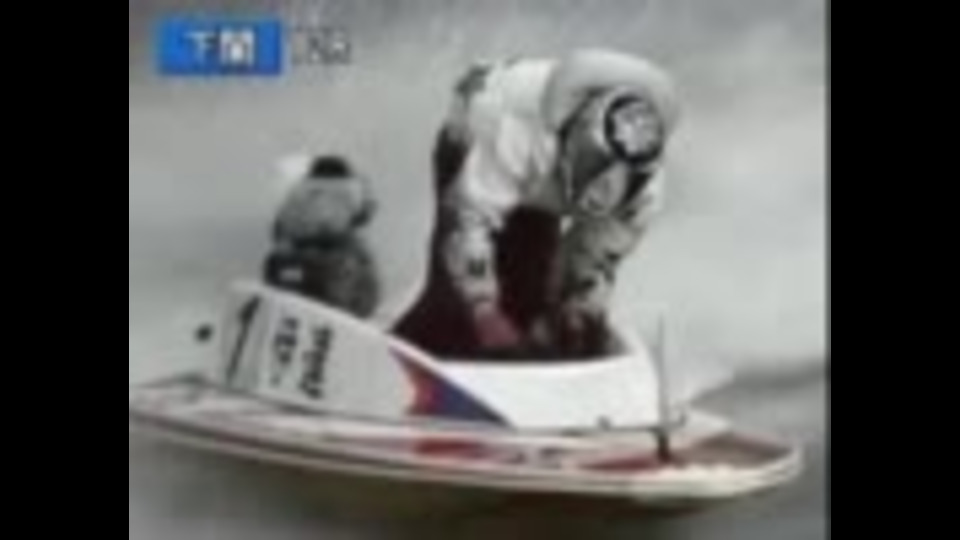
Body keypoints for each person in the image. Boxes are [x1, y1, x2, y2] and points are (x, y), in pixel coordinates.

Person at [393, 49, 681, 359]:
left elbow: (592, 260)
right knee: (458, 303)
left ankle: (526, 366)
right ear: (573, 134)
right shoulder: (514, 130)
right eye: (594, 160)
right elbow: (468, 224)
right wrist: (482, 308)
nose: (601, 189)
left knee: (543, 302)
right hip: (479, 143)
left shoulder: (644, 195)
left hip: (542, 178)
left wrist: (578, 310)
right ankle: (400, 356)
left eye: (622, 177)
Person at [264, 154, 381, 318]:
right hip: (330, 261)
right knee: (363, 265)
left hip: (285, 262)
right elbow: (366, 213)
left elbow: (277, 230)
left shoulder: (296, 190)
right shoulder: (353, 186)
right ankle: (356, 315)